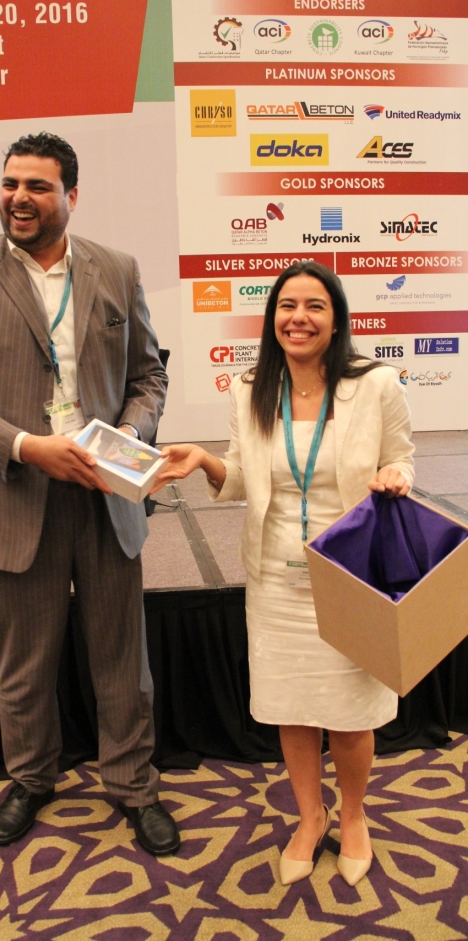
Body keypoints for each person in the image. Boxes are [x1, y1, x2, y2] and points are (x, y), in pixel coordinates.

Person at [0, 132, 180, 857]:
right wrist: (28, 447)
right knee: (24, 660)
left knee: (122, 658)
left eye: (37, 186)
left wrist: (126, 436)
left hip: (104, 494)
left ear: (71, 195)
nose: (19, 198)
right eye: (10, 184)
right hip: (15, 492)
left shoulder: (116, 269)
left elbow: (148, 377)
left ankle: (133, 786)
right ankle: (31, 779)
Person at [152, 261, 414, 886]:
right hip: (275, 576)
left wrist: (396, 475)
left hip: (351, 573)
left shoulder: (376, 384)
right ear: (272, 317)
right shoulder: (250, 389)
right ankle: (310, 816)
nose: (299, 318)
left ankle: (354, 816)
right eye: (287, 306)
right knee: (292, 706)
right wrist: (205, 462)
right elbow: (244, 477)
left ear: (336, 319)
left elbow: (402, 457)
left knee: (349, 712)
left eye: (315, 306)